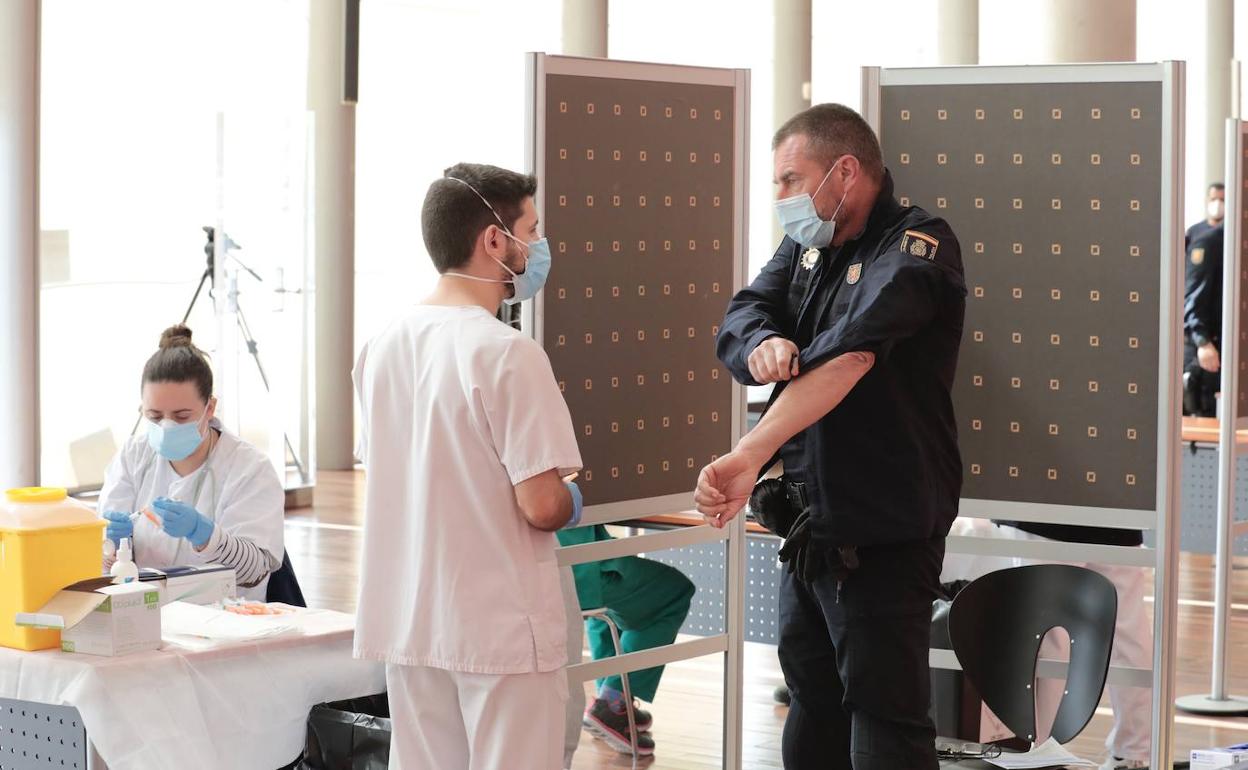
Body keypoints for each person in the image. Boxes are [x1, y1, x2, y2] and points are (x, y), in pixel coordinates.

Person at [694, 103, 966, 769]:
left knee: (883, 715)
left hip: (881, 525)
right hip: (810, 526)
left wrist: (750, 453)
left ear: (844, 172)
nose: (782, 198)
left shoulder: (916, 245)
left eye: (791, 179)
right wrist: (762, 343)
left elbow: (851, 357)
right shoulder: (809, 245)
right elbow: (745, 310)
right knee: (811, 696)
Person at [352, 162, 584, 770]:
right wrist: (573, 499)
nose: (537, 246)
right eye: (530, 230)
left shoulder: (380, 347)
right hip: (499, 625)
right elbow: (541, 505)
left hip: (411, 620)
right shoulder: (507, 353)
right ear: (493, 240)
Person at [97, 325, 285, 601]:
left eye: (182, 416)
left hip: (225, 620)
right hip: (145, 615)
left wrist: (205, 535)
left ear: (210, 408)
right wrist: (110, 544)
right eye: (154, 416)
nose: (166, 426)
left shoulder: (249, 469)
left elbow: (254, 570)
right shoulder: (133, 456)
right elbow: (105, 569)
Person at [556, 524, 695, 756]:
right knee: (673, 593)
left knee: (608, 602)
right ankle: (612, 703)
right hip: (578, 567)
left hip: (548, 564)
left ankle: (610, 700)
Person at [1183, 182, 1226, 417]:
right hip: (1208, 350)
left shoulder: (1236, 240)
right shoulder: (1207, 240)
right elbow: (1193, 296)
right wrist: (1202, 342)